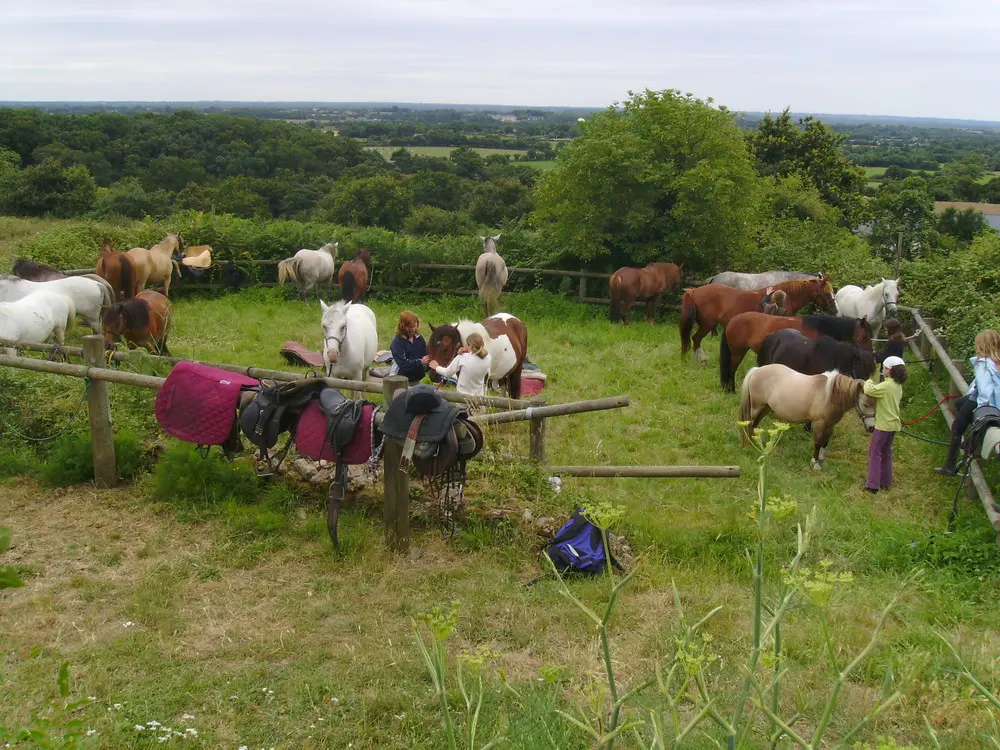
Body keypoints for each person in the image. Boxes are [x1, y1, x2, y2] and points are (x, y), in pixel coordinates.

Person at [935, 329, 1000, 476]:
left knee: (957, 427)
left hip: (982, 403)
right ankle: (968, 445)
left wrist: (982, 410)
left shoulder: (983, 363)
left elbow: (984, 389)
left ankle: (950, 465)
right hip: (996, 405)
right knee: (959, 404)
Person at [863, 355, 908, 493]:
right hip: (893, 425)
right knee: (886, 452)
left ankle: (872, 485)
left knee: (875, 452)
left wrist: (869, 380)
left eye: (885, 368)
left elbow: (869, 390)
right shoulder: (897, 386)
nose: (883, 370)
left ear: (890, 370)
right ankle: (886, 482)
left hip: (883, 426)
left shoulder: (886, 385)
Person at [429, 333, 492, 397]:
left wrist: (436, 367)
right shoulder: (488, 357)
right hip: (479, 398)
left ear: (470, 346)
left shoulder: (462, 357)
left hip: (462, 398)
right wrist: (468, 351)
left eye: (467, 345)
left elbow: (447, 373)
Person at [386, 311, 429, 384]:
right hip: (399, 380)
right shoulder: (397, 342)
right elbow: (404, 365)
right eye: (410, 327)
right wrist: (420, 362)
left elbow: (425, 355)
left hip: (416, 379)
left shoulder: (419, 339)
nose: (412, 329)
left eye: (414, 326)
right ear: (402, 326)